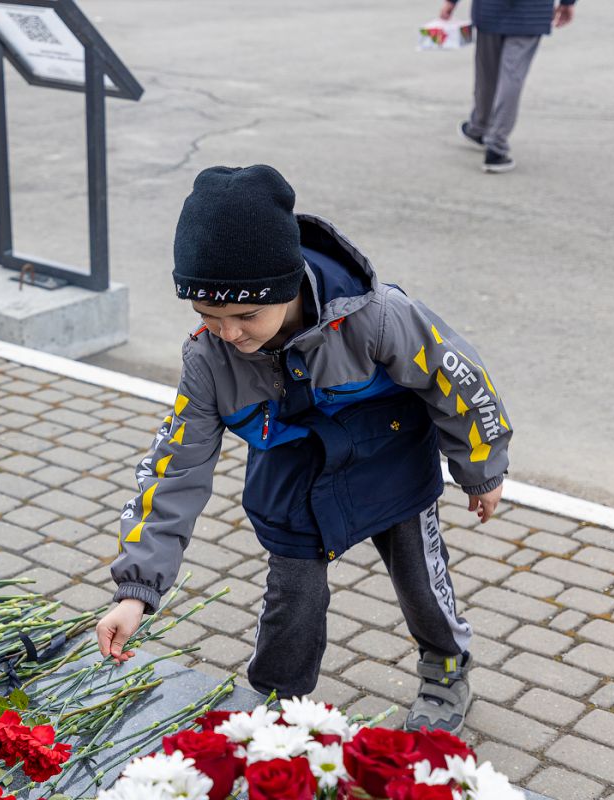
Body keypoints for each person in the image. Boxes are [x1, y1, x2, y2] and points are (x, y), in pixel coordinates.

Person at [95, 166, 512, 735]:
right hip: (296, 475)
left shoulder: (376, 316)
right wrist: (135, 591)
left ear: (288, 288)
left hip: (389, 456)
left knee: (419, 578)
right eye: (206, 317)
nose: (229, 334)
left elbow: (456, 379)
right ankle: (274, 699)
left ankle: (446, 667)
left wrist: (482, 470)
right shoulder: (208, 360)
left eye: (246, 316)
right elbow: (174, 469)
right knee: (292, 594)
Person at [444, 0, 575, 173]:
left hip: (489, 11)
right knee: (512, 76)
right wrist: (567, 3)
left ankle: (479, 127)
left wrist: (450, 2)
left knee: (486, 74)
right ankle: (496, 146)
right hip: (530, 14)